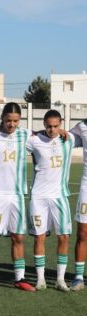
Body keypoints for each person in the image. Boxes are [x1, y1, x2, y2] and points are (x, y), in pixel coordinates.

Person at [0, 102, 35, 292]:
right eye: (8, 120)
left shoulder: (25, 135)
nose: (12, 125)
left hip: (17, 194)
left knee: (18, 237)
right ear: (2, 118)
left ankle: (19, 278)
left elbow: (46, 135)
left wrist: (60, 131)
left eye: (15, 121)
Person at [27, 109, 74, 291]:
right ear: (44, 124)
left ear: (60, 124)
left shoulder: (69, 140)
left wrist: (66, 133)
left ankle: (60, 279)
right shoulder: (35, 140)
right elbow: (12, 138)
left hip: (60, 196)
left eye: (55, 126)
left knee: (63, 237)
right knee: (39, 237)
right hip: (38, 197)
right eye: (48, 126)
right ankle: (40, 279)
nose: (52, 130)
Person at [70, 119, 87, 290]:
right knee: (82, 233)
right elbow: (65, 138)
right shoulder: (82, 126)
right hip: (86, 186)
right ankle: (79, 277)